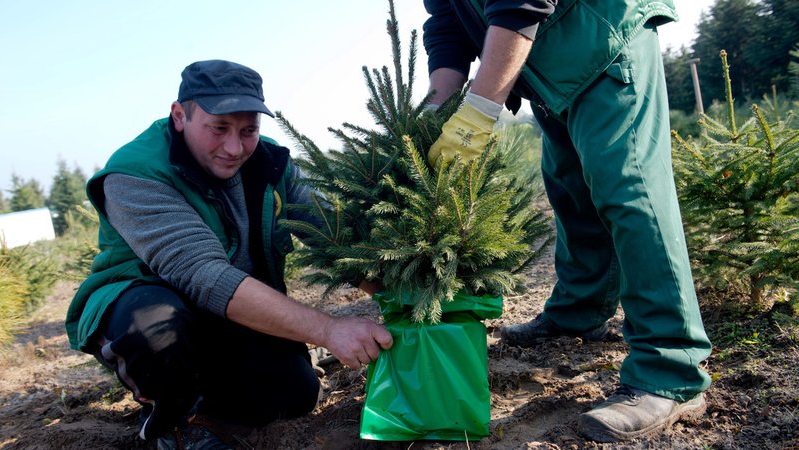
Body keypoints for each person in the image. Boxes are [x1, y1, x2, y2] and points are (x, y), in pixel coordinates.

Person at [421, 0, 712, 443]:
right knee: (570, 191)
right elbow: (448, 19)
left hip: (603, 36)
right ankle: (581, 311)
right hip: (544, 66)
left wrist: (480, 110)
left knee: (629, 190)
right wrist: (437, 110)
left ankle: (670, 370)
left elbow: (519, 2)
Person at [65, 59, 393, 448]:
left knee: (295, 394)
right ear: (179, 115)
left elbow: (332, 237)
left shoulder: (272, 163)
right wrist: (329, 330)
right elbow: (203, 275)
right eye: (218, 128)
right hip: (147, 302)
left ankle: (206, 393)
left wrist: (405, 298)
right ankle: (173, 425)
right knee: (156, 329)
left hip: (233, 310)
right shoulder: (135, 173)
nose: (234, 147)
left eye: (248, 130)